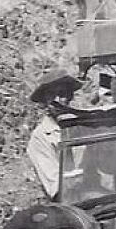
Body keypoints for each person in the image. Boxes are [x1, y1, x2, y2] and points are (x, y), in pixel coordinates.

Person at [27, 68, 82, 199]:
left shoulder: (83, 126)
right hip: (72, 204)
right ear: (45, 100)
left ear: (70, 96)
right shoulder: (40, 137)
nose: (57, 100)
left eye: (62, 94)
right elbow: (57, 187)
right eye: (51, 95)